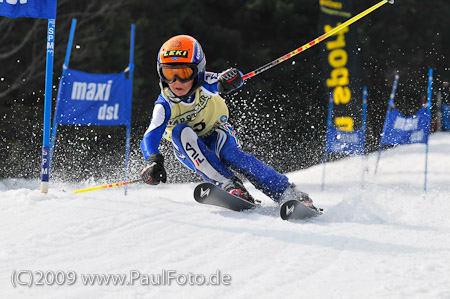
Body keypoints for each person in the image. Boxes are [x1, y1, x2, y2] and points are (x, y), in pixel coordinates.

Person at [140, 35, 318, 210]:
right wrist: (153, 161)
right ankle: (228, 185)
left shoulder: (204, 81)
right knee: (181, 131)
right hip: (189, 148)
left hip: (217, 132)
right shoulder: (164, 105)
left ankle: (286, 191)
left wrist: (232, 78)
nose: (176, 82)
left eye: (184, 73)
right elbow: (150, 136)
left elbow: (226, 79)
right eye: (169, 73)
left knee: (232, 155)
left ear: (198, 71)